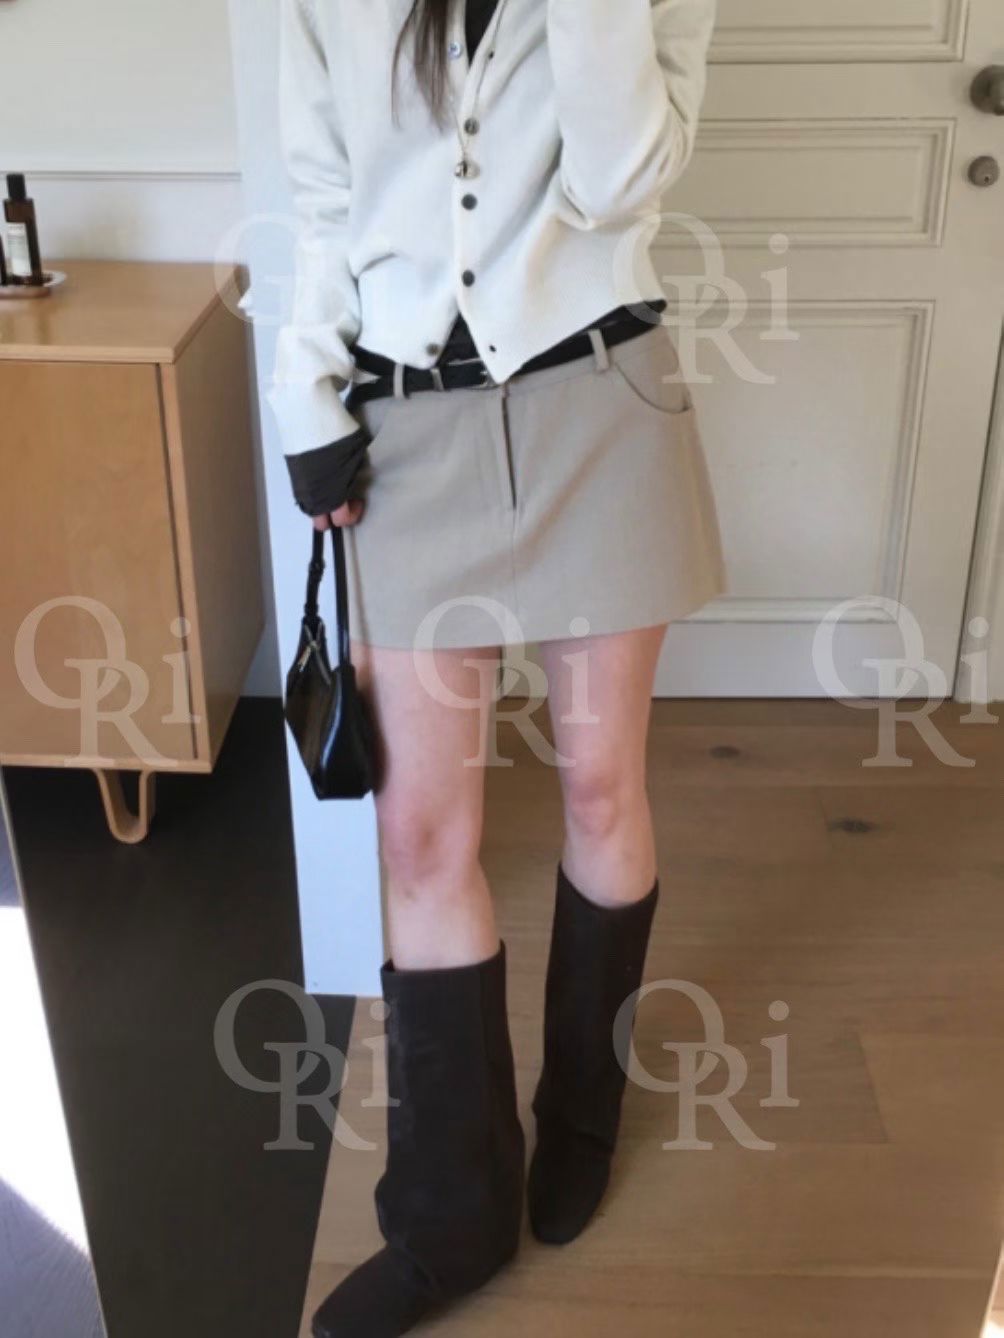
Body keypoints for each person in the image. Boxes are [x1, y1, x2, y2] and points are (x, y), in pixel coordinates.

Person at [268, 2, 725, 1334]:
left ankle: (581, 1112)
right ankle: (452, 1218)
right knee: (421, 830)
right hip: (404, 423)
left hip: (600, 400)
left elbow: (622, 178)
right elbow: (321, 200)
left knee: (600, 785)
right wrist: (305, 396)